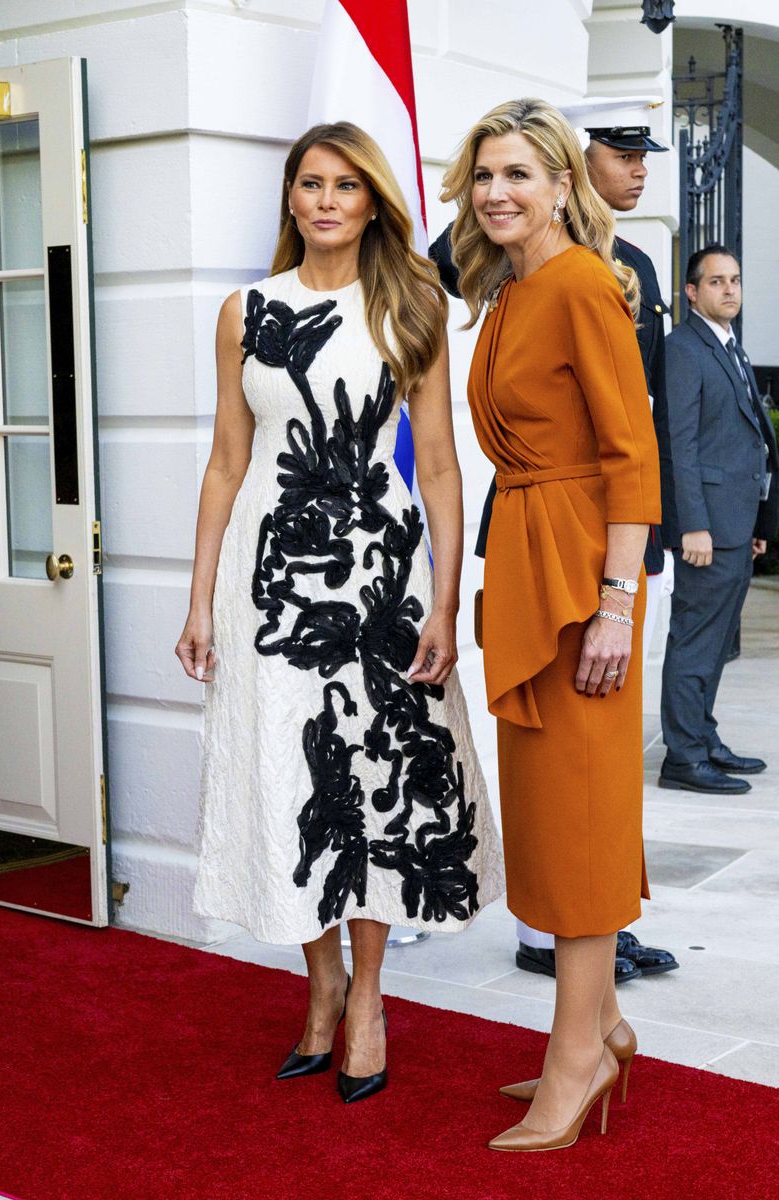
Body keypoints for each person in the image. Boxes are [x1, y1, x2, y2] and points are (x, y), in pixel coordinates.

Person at [176, 121, 504, 1105]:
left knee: (370, 783)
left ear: (371, 203)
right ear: (290, 199)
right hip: (267, 587)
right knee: (287, 779)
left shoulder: (411, 304)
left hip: (381, 580)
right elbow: (228, 462)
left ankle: (368, 997)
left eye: (345, 185)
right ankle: (319, 985)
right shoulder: (246, 312)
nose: (326, 200)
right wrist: (199, 599)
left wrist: (443, 598)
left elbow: (439, 465)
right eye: (310, 184)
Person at [442, 96, 661, 1152]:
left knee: (576, 824)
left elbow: (632, 456)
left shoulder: (578, 283)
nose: (496, 193)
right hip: (530, 561)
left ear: (563, 183)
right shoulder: (509, 291)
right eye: (484, 174)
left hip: (582, 576)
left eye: (519, 174)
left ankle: (574, 1059)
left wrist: (616, 601)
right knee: (544, 809)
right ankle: (602, 1027)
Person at [659, 245, 779, 794]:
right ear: (692, 292)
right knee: (694, 640)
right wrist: (693, 525)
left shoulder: (731, 347)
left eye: (734, 280)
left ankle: (703, 738)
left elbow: (743, 438)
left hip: (735, 522)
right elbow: (679, 442)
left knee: (716, 640)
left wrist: (755, 521)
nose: (729, 290)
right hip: (706, 526)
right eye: (716, 282)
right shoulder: (684, 347)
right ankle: (683, 757)